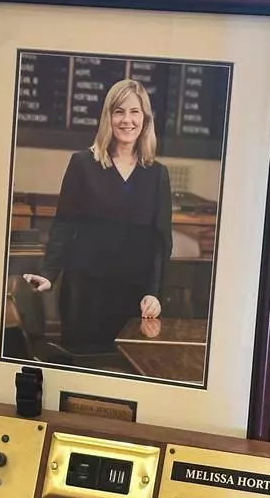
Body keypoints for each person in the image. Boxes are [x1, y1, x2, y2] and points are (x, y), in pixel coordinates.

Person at [23, 79, 173, 351]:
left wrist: (154, 293)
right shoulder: (82, 163)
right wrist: (48, 273)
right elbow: (64, 225)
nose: (127, 120)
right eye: (119, 111)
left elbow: (160, 241)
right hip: (84, 293)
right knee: (82, 361)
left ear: (145, 119)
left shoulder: (157, 173)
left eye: (134, 112)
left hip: (134, 296)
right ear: (108, 117)